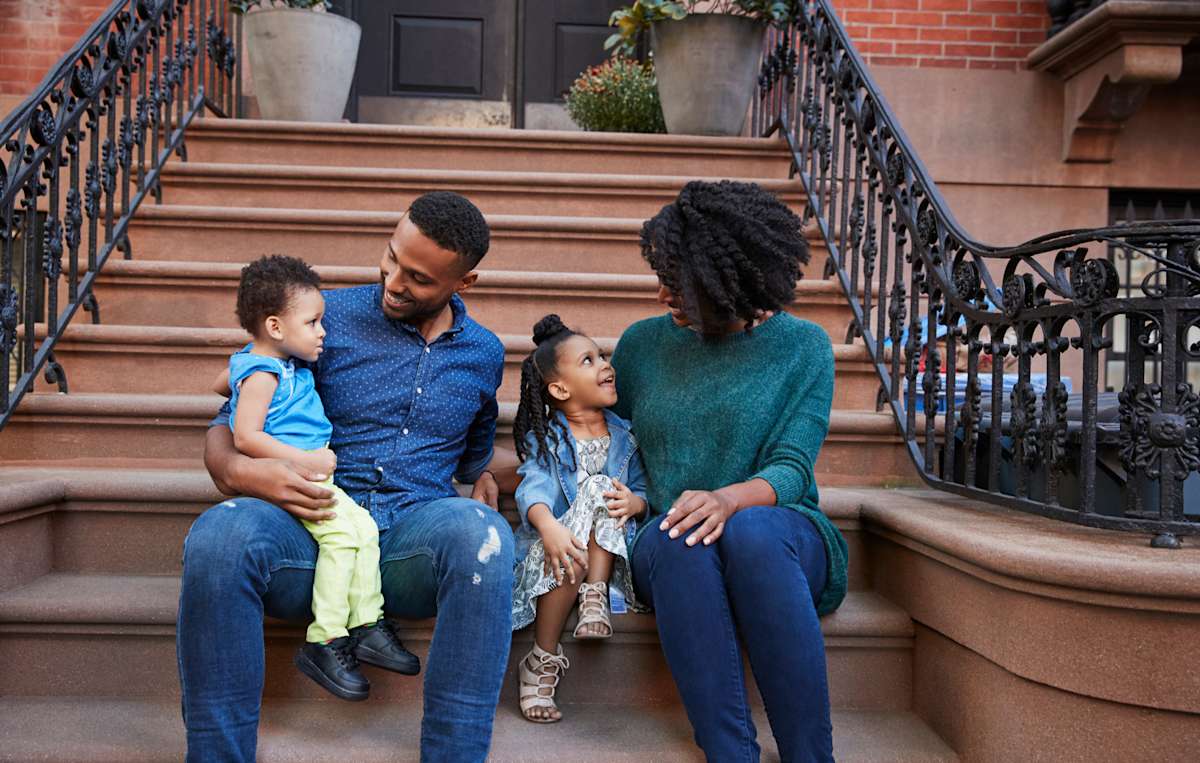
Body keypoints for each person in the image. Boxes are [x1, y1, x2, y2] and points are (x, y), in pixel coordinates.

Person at [177, 192, 517, 762]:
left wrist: (508, 477)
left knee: (482, 536)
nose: (394, 281)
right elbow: (228, 422)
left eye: (419, 278)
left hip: (413, 535)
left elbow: (475, 457)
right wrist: (240, 472)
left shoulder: (482, 354)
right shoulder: (323, 319)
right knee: (219, 538)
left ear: (466, 282)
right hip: (310, 524)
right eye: (391, 258)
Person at [609, 180, 849, 762]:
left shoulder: (803, 347)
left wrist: (729, 499)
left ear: (734, 282)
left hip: (780, 530)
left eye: (682, 280)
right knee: (680, 535)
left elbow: (791, 469)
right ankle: (730, 752)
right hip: (673, 541)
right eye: (662, 272)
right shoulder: (641, 346)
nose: (663, 290)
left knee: (750, 533)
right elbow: (599, 440)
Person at [215, 254, 419, 701]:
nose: (322, 332)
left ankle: (366, 622)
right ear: (274, 327)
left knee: (364, 528)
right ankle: (325, 637)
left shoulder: (275, 364)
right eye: (312, 323)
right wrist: (304, 459)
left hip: (313, 473)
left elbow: (226, 382)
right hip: (295, 476)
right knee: (341, 539)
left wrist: (235, 373)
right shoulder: (265, 374)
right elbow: (246, 438)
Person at [509, 314, 649, 723]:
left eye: (602, 356)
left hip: (613, 546)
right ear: (559, 388)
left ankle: (596, 593)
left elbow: (640, 486)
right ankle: (541, 659)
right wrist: (548, 526)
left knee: (605, 490)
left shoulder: (626, 434)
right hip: (560, 547)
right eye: (588, 360)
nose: (605, 364)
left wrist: (637, 505)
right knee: (575, 532)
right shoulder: (548, 439)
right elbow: (531, 488)